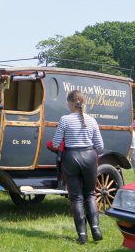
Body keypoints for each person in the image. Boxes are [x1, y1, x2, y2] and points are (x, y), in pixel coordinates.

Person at [52, 90, 104, 244]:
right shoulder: (92, 120)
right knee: (90, 194)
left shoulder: (64, 119)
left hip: (71, 158)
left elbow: (55, 143)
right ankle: (95, 228)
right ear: (83, 103)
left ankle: (82, 235)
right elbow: (100, 146)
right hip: (89, 158)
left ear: (70, 103)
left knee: (76, 198)